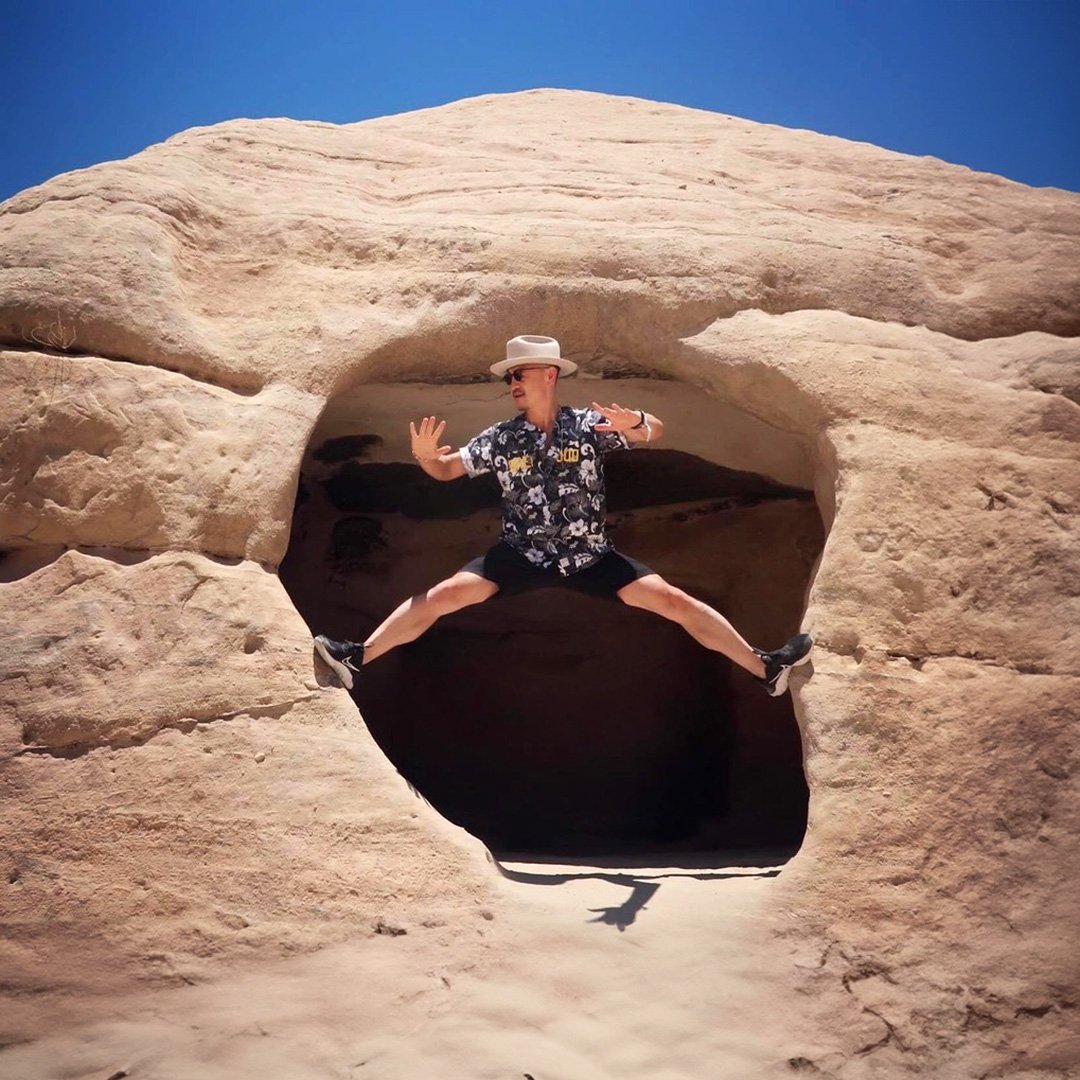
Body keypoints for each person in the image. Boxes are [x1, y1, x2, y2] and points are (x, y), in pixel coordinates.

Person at [315, 334, 812, 696]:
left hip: (590, 556)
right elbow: (447, 469)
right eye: (509, 376)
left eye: (519, 374)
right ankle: (357, 657)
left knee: (676, 603)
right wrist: (425, 456)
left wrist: (636, 421)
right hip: (520, 554)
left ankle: (765, 668)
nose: (511, 382)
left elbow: (654, 430)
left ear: (548, 375)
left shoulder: (587, 426)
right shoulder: (502, 437)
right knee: (443, 595)